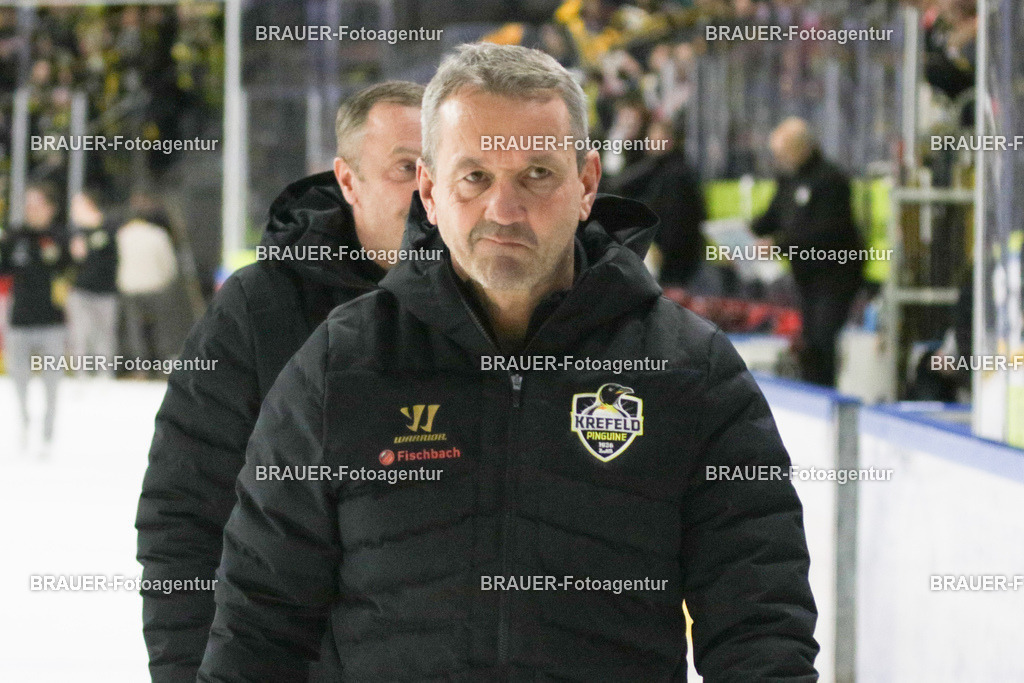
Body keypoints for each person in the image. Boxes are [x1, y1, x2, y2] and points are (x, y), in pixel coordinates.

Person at [198, 44, 818, 681]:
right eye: (475, 177)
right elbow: (259, 624)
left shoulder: (691, 373)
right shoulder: (341, 366)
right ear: (431, 194)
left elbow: (760, 631)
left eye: (538, 174)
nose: (505, 209)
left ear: (587, 184)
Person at [135, 80, 424, 682]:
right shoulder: (259, 307)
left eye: (448, 167)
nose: (429, 189)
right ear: (348, 180)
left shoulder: (498, 305)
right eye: (406, 167)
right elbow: (185, 510)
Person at [752, 117, 864, 387]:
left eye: (782, 153)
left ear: (801, 147)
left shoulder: (831, 180)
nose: (779, 159)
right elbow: (770, 218)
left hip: (835, 275)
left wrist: (777, 245)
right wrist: (743, 237)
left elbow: (824, 235)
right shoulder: (789, 180)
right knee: (808, 341)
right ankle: (813, 391)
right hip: (806, 277)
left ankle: (826, 397)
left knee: (822, 342)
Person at [0, 182, 70, 453]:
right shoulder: (15, 237)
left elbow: (72, 268)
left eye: (36, 203)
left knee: (52, 379)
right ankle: (24, 422)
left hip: (51, 320)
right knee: (19, 377)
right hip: (20, 320)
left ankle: (48, 431)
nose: (31, 209)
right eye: (27, 204)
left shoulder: (60, 237)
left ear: (50, 208)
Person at [609, 118, 707, 287]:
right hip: (671, 260)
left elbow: (674, 220)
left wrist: (663, 252)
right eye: (650, 137)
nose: (650, 142)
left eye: (656, 138)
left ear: (670, 140)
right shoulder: (657, 169)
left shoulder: (675, 173)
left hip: (673, 262)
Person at [116, 195, 181, 369]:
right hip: (156, 287)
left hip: (130, 287)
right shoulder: (159, 235)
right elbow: (169, 264)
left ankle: (139, 368)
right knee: (161, 329)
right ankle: (164, 365)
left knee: (134, 330)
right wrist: (166, 281)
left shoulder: (122, 235)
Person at [67, 187, 119, 378]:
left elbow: (110, 258)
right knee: (80, 334)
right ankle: (82, 375)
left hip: (105, 291)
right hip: (81, 291)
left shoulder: (109, 228)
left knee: (105, 335)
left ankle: (105, 375)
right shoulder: (75, 233)